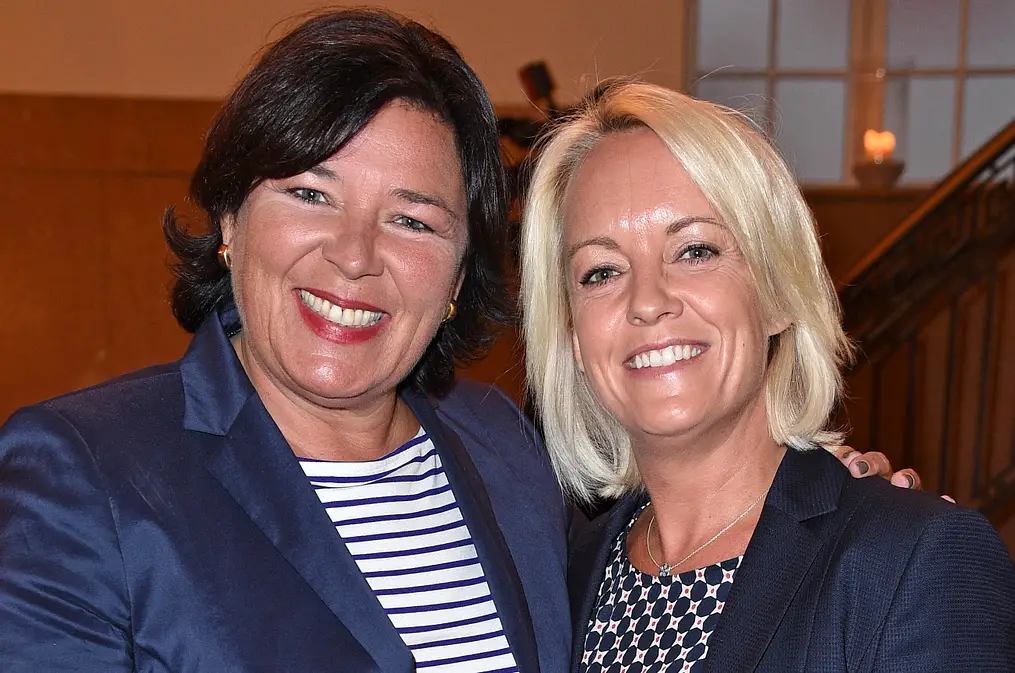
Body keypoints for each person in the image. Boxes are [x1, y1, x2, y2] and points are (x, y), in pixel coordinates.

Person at [0, 9, 915, 673]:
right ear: (232, 219)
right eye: (311, 194)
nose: (354, 256)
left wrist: (830, 512)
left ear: (455, 276)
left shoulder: (501, 446)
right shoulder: (85, 470)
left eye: (413, 219)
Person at [519, 79, 1015, 672]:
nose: (647, 302)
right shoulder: (561, 581)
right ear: (573, 336)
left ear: (777, 293)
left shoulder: (911, 561)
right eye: (601, 272)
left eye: (695, 251)